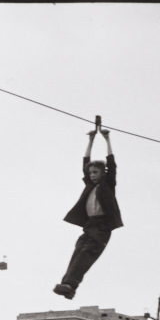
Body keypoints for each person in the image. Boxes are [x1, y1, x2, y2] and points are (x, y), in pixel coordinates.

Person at [54, 127, 122, 300]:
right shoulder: (89, 185)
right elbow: (85, 162)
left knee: (86, 254)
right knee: (78, 251)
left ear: (102, 172)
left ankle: (70, 285)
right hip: (89, 225)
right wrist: (90, 140)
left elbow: (112, 164)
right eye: (90, 172)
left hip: (102, 226)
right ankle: (68, 286)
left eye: (95, 172)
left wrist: (106, 139)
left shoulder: (108, 184)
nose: (92, 175)